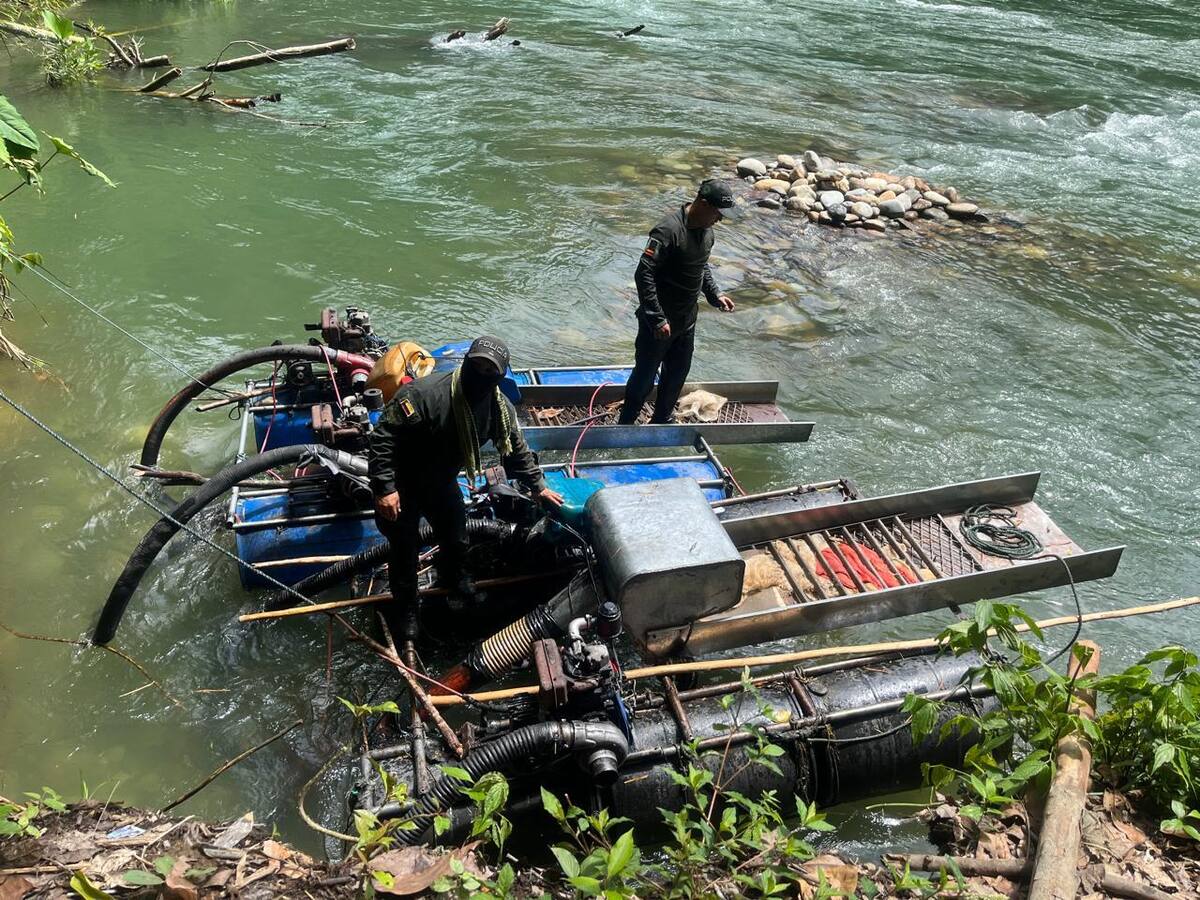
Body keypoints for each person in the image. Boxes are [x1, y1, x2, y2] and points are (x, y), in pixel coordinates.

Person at [367, 336, 563, 639]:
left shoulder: (499, 408)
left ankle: (453, 579)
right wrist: (384, 488)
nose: (482, 375)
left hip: (441, 483)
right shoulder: (424, 395)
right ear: (466, 363)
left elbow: (516, 449)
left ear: (499, 376)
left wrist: (538, 486)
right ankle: (406, 609)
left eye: (490, 371)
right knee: (403, 550)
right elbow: (382, 438)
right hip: (403, 482)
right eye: (477, 366)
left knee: (456, 538)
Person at [618, 179, 737, 425]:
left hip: (686, 321)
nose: (720, 219)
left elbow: (701, 267)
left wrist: (715, 295)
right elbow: (644, 274)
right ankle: (626, 423)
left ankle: (661, 418)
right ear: (703, 204)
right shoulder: (668, 231)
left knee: (677, 374)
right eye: (717, 213)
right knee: (644, 376)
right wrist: (656, 317)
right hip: (659, 323)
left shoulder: (707, 233)